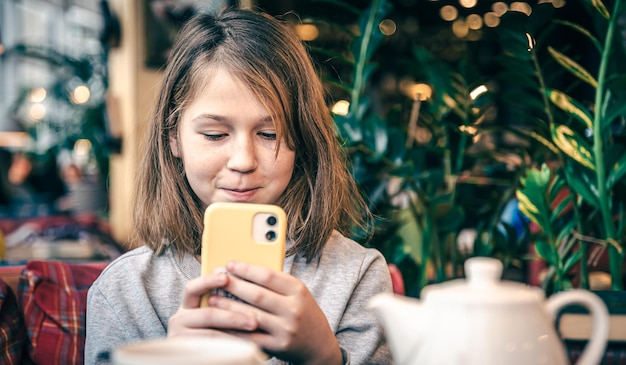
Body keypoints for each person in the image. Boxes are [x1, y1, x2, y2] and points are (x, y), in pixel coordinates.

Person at [85, 7, 393, 365]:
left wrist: (324, 356)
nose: (243, 160)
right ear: (174, 139)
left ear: (303, 140)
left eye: (269, 134)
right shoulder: (125, 291)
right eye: (215, 134)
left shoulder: (357, 275)